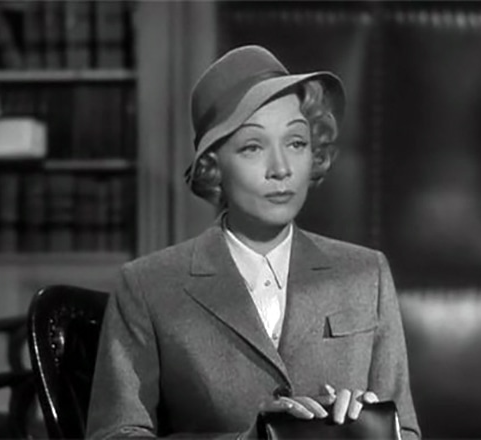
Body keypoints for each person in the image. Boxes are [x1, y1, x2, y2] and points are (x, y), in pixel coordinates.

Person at [86, 45, 420, 440]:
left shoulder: (366, 274)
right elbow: (115, 435)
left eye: (296, 143)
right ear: (213, 166)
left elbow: (406, 431)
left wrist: (369, 429)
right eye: (253, 147)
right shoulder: (148, 286)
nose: (280, 169)